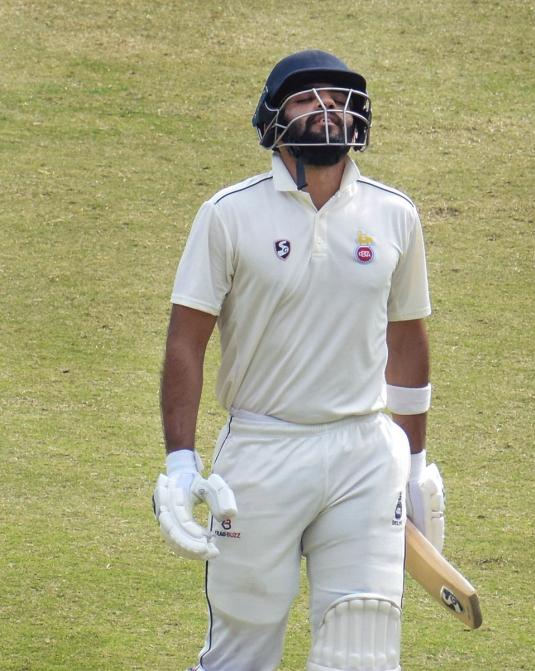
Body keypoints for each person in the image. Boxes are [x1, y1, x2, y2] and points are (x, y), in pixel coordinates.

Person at [153, 49, 445, 671]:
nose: (327, 111)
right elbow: (186, 339)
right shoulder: (229, 214)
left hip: (364, 453)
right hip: (261, 450)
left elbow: (407, 338)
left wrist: (415, 461)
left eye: (339, 100)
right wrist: (180, 461)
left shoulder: (395, 214)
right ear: (272, 118)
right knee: (244, 645)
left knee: (361, 649)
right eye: (308, 99)